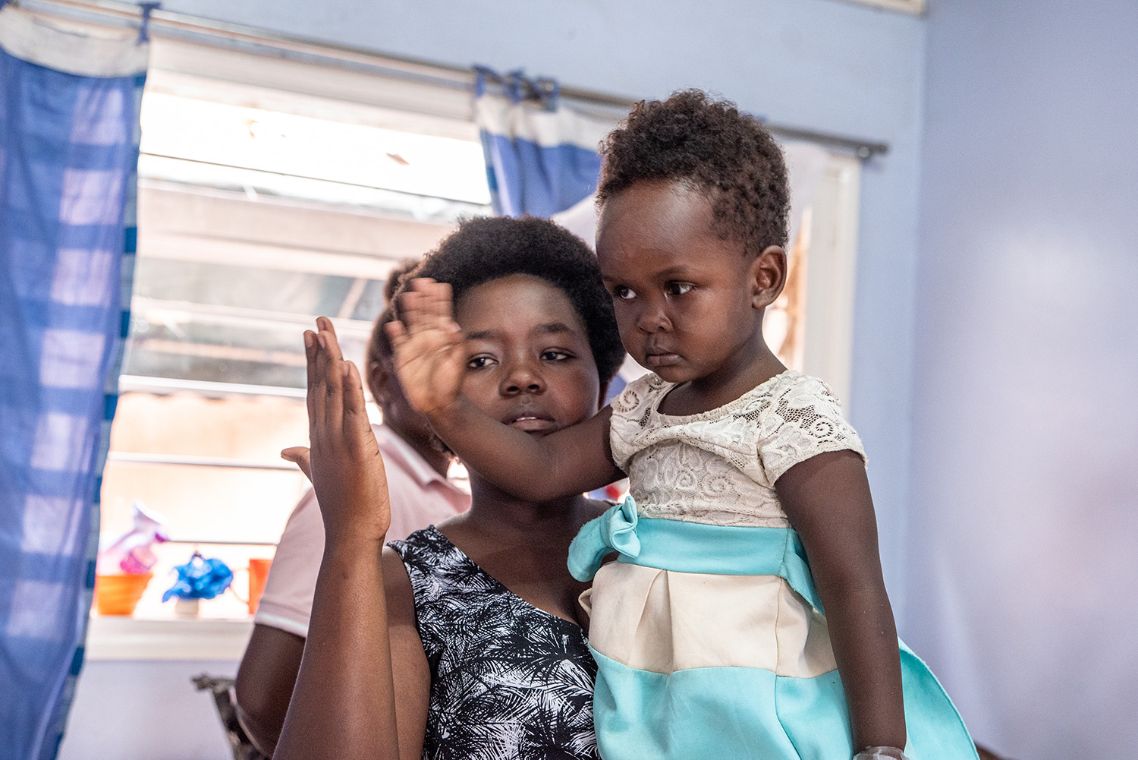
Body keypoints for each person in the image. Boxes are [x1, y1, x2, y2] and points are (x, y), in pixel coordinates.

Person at [390, 91, 978, 759]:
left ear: (763, 277)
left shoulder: (793, 419)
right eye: (624, 291)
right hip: (659, 698)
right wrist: (444, 407)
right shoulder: (646, 408)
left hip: (763, 697)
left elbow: (855, 587)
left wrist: (880, 748)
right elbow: (543, 467)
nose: (649, 317)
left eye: (678, 286)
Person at [272, 217, 626, 760]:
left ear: (602, 380)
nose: (522, 378)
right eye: (480, 360)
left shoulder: (657, 542)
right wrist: (350, 537)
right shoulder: (406, 582)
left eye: (554, 354)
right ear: (434, 397)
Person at [234, 260, 471, 756]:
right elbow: (261, 698)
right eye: (428, 360)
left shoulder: (450, 494)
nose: (454, 382)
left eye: (471, 363)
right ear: (382, 383)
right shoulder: (364, 485)